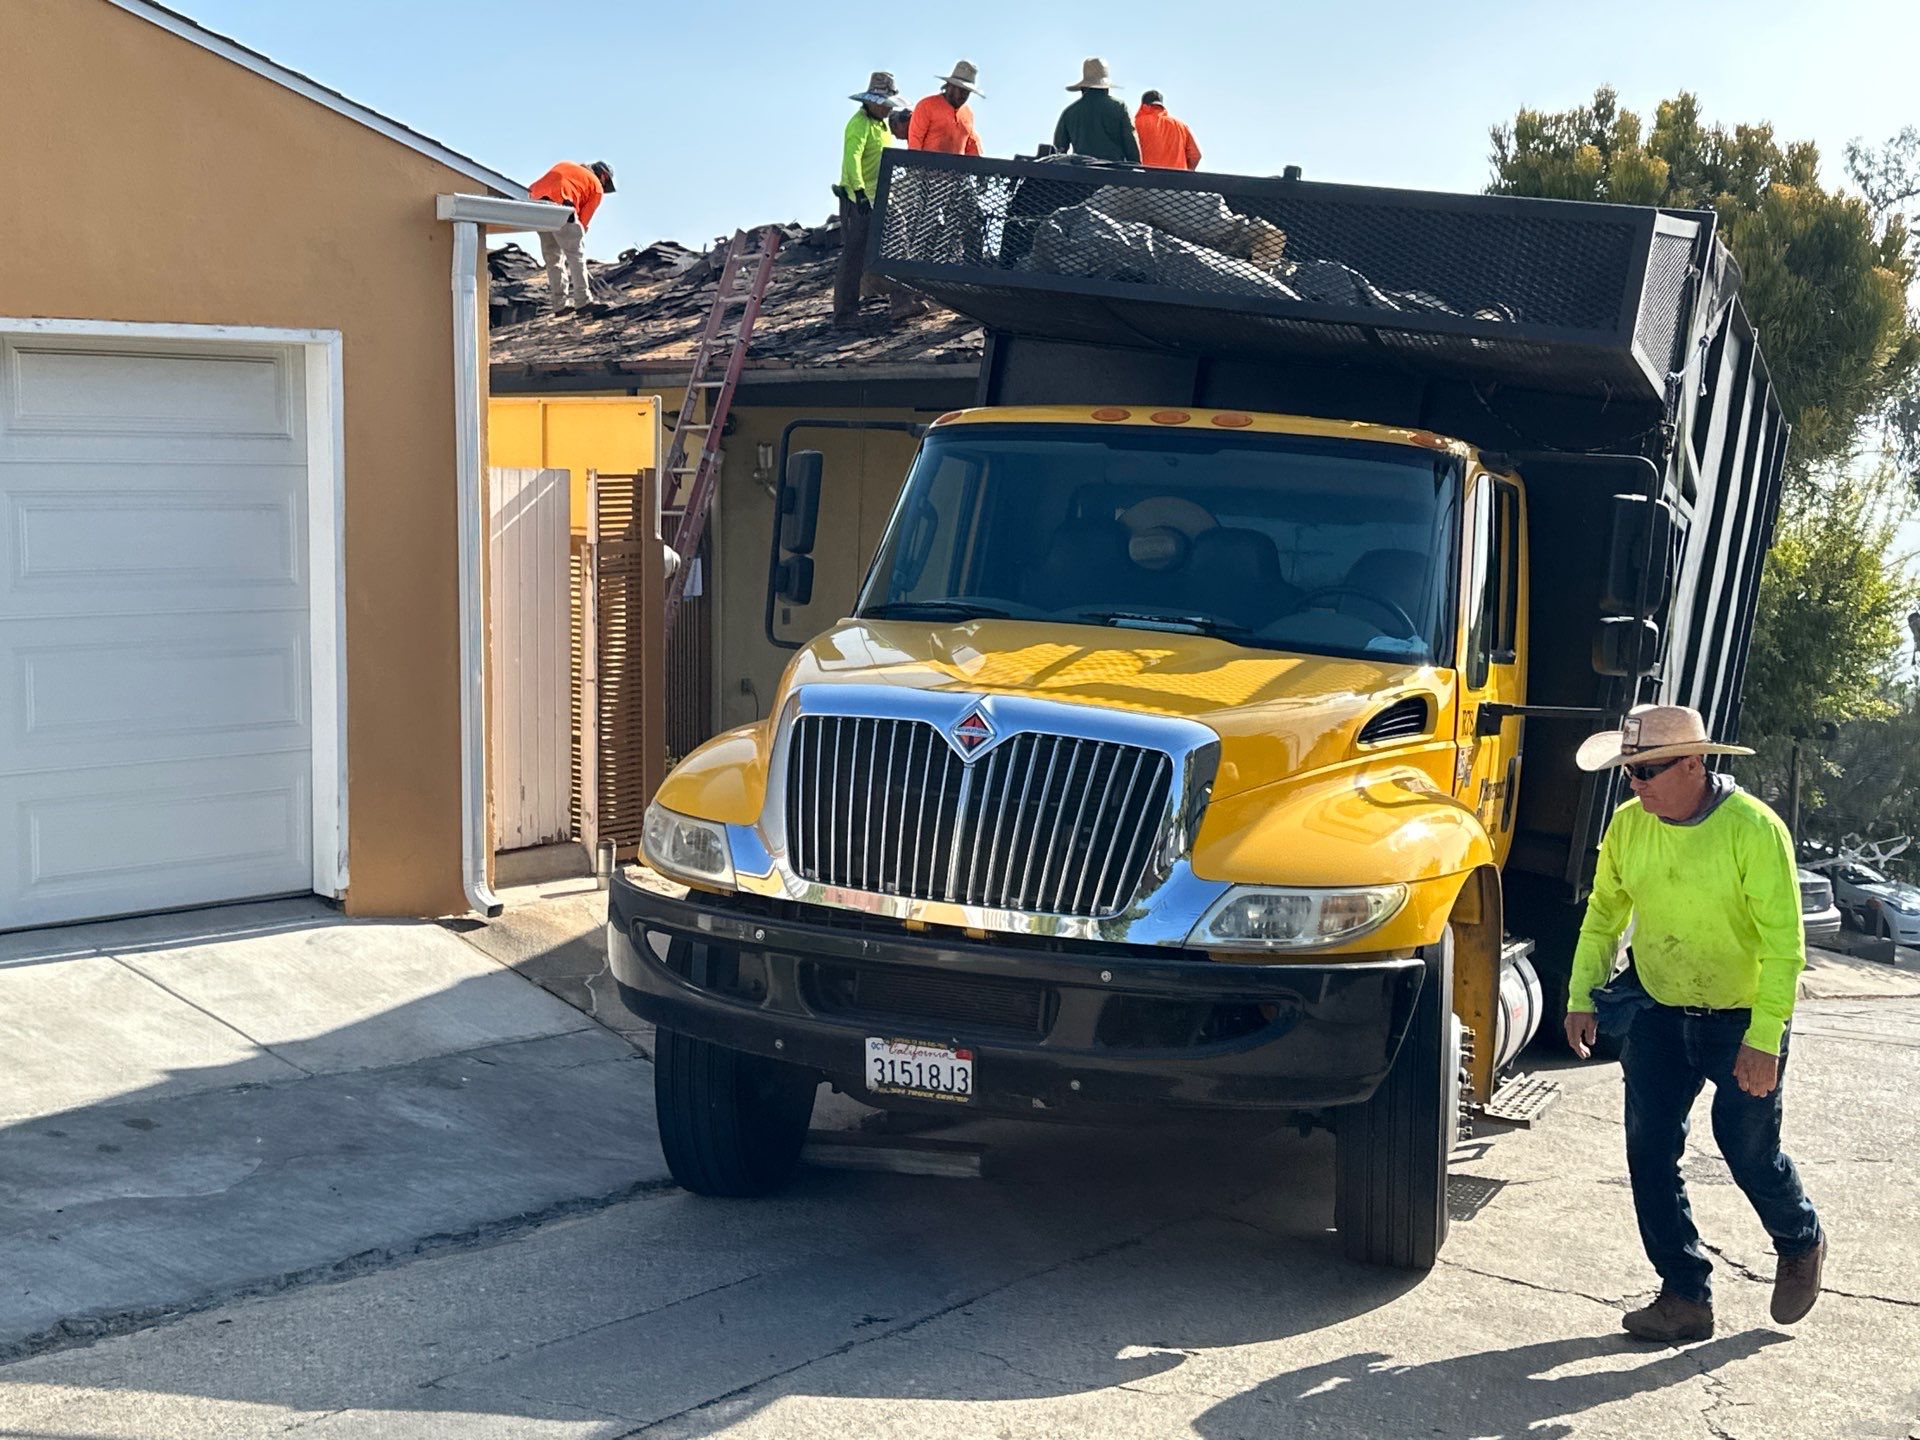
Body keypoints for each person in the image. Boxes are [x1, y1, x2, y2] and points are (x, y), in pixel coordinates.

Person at [1565, 704, 1826, 1344]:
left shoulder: (1753, 830)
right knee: (1649, 1150)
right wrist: (1580, 996)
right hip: (1659, 1011)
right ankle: (1684, 1295)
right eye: (1629, 773)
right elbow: (1604, 915)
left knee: (1746, 1149)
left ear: (1693, 762)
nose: (1636, 784)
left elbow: (1785, 946)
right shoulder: (1630, 827)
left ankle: (1800, 1239)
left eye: (1648, 770)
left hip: (1741, 1020)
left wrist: (1764, 1039)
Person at [833, 71, 898, 328]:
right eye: (883, 104)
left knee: (896, 246)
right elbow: (852, 160)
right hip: (858, 200)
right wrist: (859, 193)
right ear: (871, 101)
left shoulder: (882, 125)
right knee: (854, 256)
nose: (886, 109)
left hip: (882, 197)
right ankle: (845, 315)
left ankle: (902, 302)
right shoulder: (858, 124)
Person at [528, 161, 615, 313]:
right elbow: (583, 222)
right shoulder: (596, 186)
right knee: (576, 256)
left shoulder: (566, 164)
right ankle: (583, 300)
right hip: (562, 209)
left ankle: (559, 304)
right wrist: (576, 238)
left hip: (536, 208)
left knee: (553, 259)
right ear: (603, 176)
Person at [1052, 58, 1138, 163]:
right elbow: (1131, 144)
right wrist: (1136, 166)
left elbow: (1059, 150)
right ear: (1106, 87)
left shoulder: (1069, 112)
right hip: (1115, 174)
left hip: (1081, 174)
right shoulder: (1120, 107)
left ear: (1083, 88)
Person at [908, 61, 984, 155]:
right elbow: (915, 142)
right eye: (961, 90)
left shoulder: (968, 114)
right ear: (950, 87)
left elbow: (972, 148)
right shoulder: (926, 105)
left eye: (967, 92)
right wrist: (915, 167)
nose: (964, 95)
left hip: (957, 169)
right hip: (926, 168)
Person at [1135, 90, 1201, 170]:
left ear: (1143, 106)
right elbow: (1196, 155)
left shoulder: (1135, 124)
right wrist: (1186, 173)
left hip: (1146, 179)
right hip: (1176, 179)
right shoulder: (1181, 126)